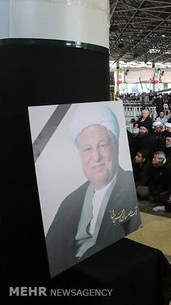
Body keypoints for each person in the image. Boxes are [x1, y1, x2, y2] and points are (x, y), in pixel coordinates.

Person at [45, 103, 142, 277]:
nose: (95, 157)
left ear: (116, 146)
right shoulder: (70, 202)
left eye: (102, 145)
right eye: (87, 149)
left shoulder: (127, 188)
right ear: (80, 155)